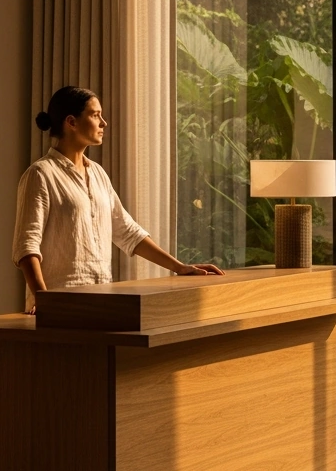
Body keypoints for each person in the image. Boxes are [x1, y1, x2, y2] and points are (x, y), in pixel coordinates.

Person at [13, 86, 223, 312]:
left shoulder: (97, 173)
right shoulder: (41, 174)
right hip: (59, 306)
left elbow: (127, 231)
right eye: (95, 115)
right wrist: (44, 300)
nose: (103, 123)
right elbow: (26, 247)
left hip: (102, 300)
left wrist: (180, 267)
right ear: (71, 122)